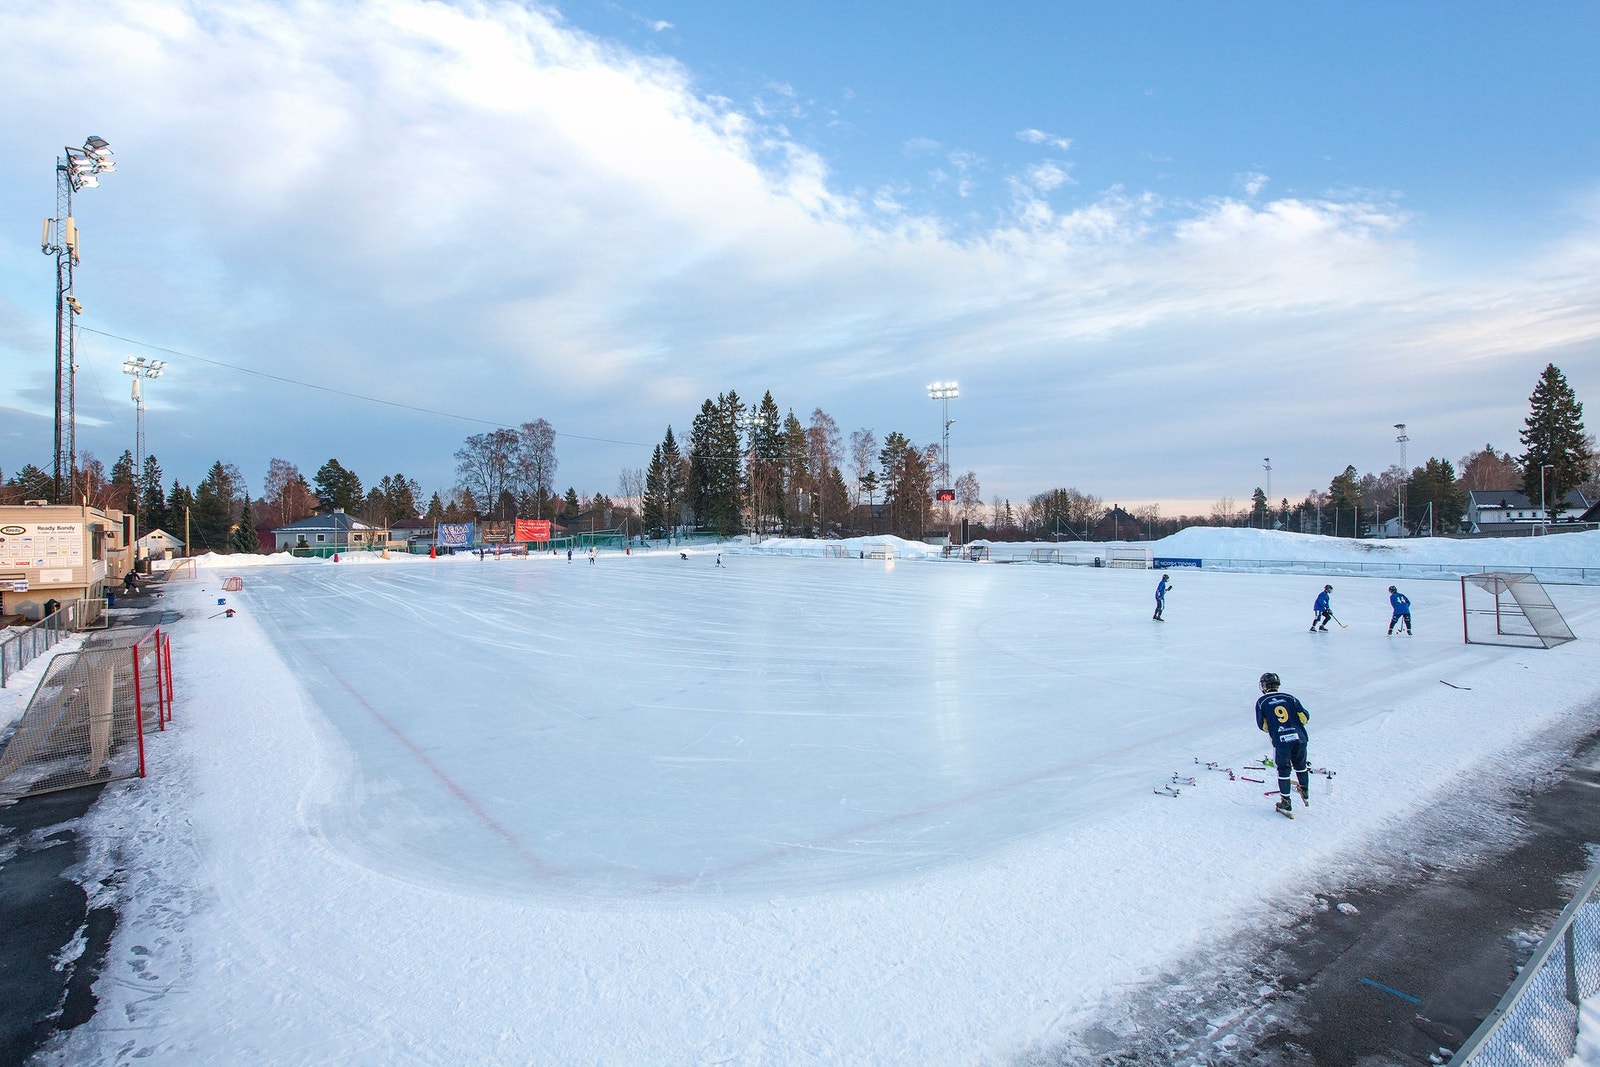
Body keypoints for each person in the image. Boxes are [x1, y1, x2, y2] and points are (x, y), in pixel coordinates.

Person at [1255, 672, 1311, 816]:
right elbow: (1304, 717)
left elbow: (1263, 726)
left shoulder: (1262, 702)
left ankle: (1286, 802)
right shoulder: (1289, 698)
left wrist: (1276, 729)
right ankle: (1304, 789)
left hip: (1282, 741)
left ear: (1263, 685)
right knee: (1301, 765)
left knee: (1284, 770)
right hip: (1300, 738)